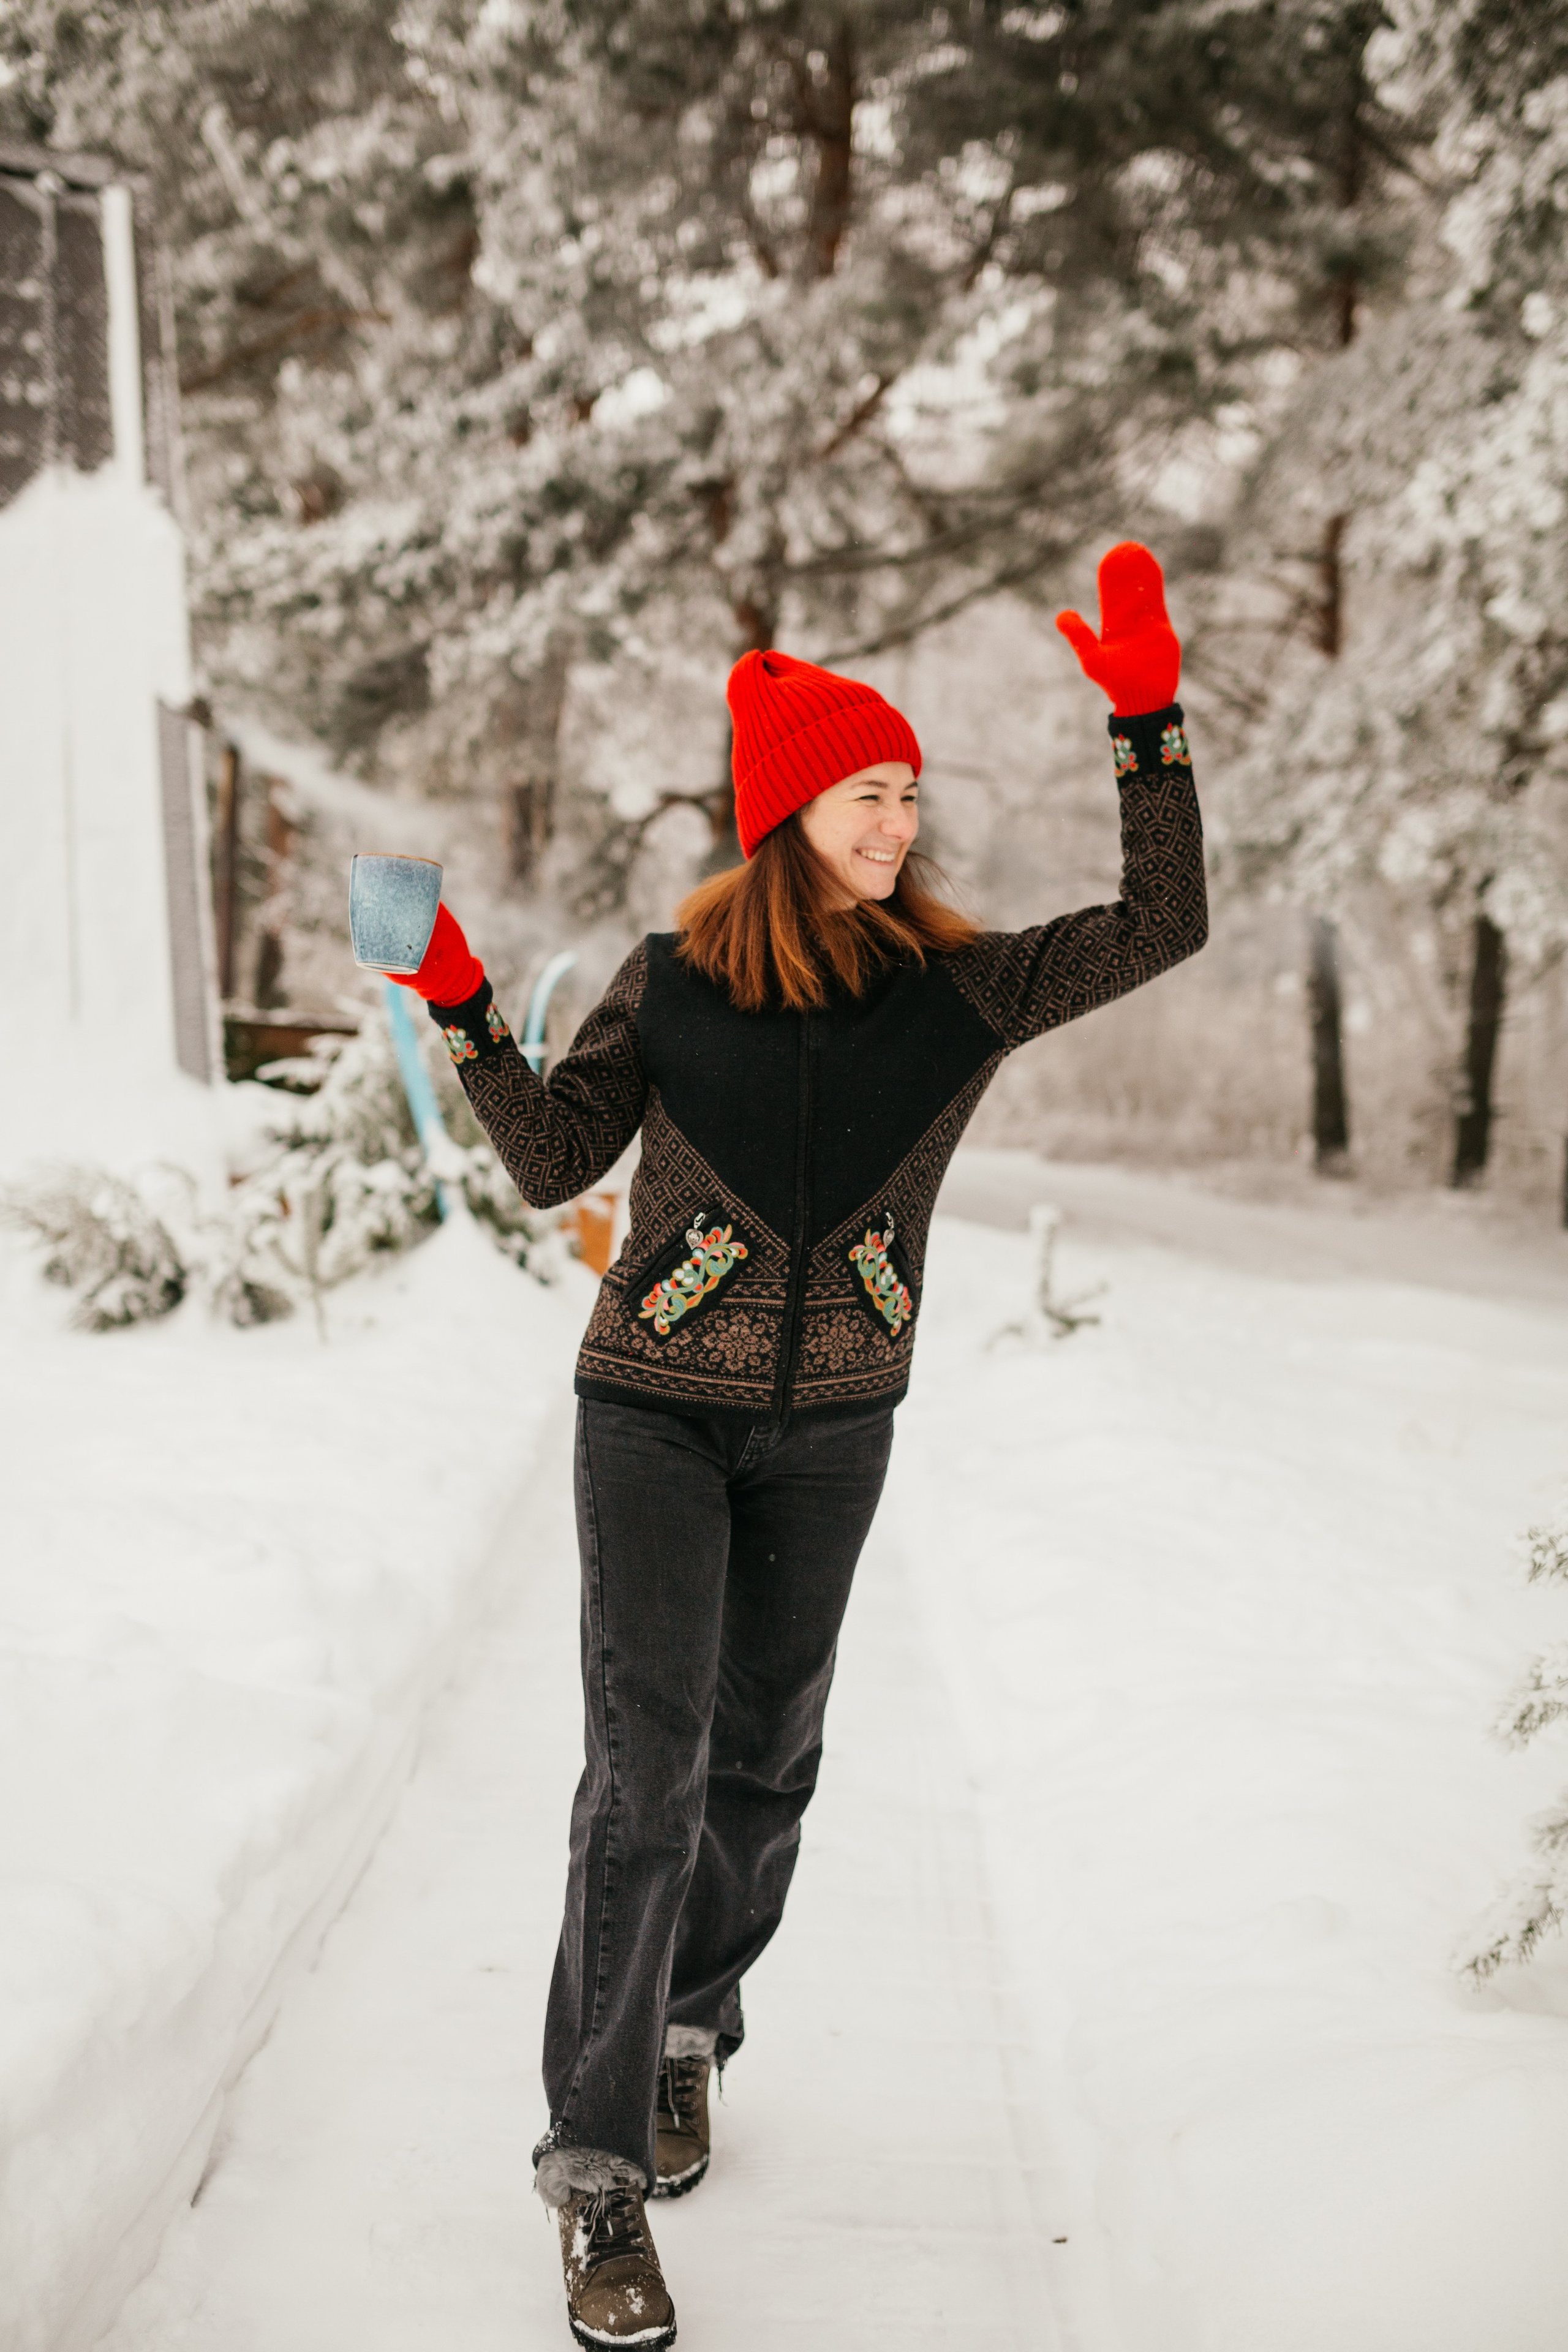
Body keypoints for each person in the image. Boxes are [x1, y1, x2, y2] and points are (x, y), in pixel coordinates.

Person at [383, 541, 1206, 2350]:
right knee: (647, 1777)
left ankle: (690, 2030)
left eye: (912, 791)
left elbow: (1162, 930)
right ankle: (594, 2173)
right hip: (652, 1419)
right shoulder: (674, 980)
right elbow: (550, 1159)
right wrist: (458, 999)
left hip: (836, 1428)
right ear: (786, 811)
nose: (900, 820)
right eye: (867, 791)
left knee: (767, 1765)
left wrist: (1146, 724)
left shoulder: (961, 991)